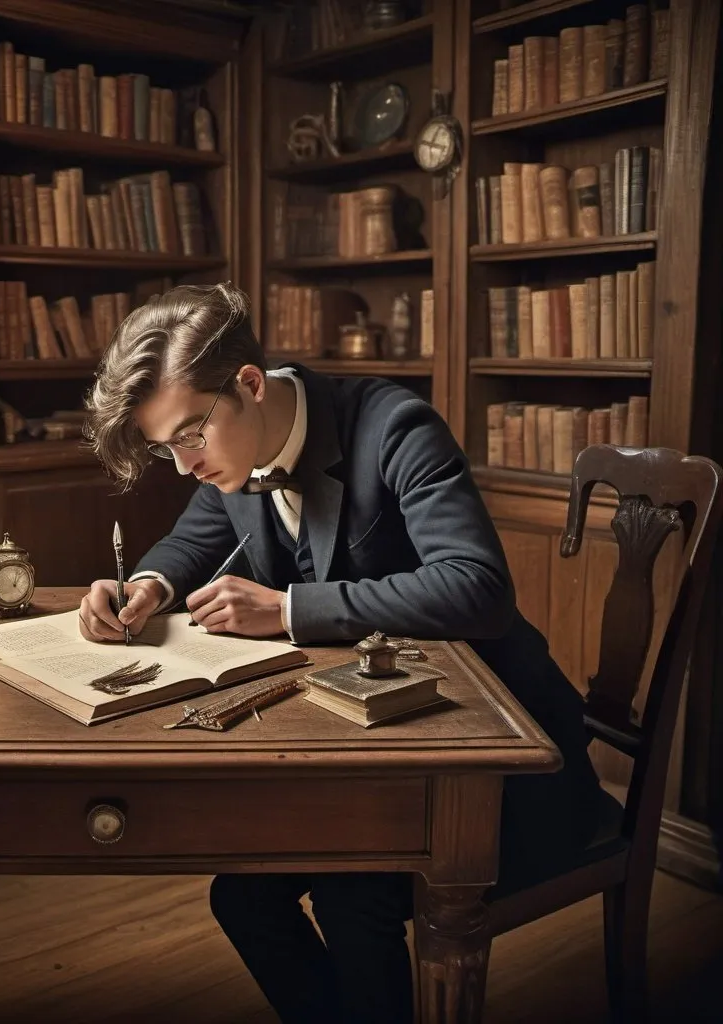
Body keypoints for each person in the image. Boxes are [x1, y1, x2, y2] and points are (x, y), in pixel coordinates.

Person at [79, 282, 607, 1024]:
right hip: (377, 758)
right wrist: (147, 586)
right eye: (165, 447)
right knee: (241, 896)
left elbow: (479, 588)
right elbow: (195, 536)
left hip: (507, 772)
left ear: (250, 385)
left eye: (189, 437)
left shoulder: (395, 427)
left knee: (349, 892)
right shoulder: (230, 444)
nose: (182, 464)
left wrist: (290, 610)